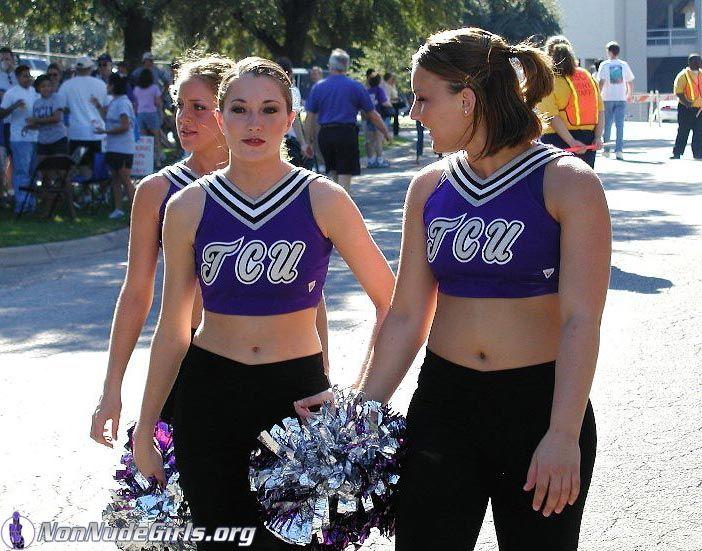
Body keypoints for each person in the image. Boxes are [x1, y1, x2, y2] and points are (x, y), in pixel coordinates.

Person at [297, 26, 611, 551]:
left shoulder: (568, 182)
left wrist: (562, 434)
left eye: (424, 98)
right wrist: (356, 412)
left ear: (467, 100)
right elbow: (406, 316)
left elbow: (582, 320)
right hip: (445, 405)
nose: (414, 111)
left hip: (539, 406)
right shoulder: (429, 187)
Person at [132, 56, 395, 550]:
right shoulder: (188, 206)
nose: (254, 123)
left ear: (291, 119)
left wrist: (358, 401)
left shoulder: (323, 197)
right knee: (219, 539)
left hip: (296, 395)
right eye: (239, 109)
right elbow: (172, 329)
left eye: (270, 109)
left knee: (294, 543)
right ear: (221, 118)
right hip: (209, 392)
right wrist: (147, 426)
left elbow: (392, 303)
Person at [90, 55, 237, 446]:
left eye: (199, 108)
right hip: (186, 358)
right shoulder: (156, 190)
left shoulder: (267, 184)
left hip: (265, 352)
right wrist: (112, 388)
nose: (184, 118)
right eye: (180, 106)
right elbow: (137, 292)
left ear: (227, 112)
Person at [304, 49, 390, 193]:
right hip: (346, 133)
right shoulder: (355, 86)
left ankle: (332, 205)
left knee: (331, 172)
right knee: (344, 174)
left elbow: (309, 118)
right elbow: (372, 114)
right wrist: (385, 132)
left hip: (326, 134)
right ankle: (341, 208)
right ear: (347, 66)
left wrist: (308, 141)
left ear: (330, 66)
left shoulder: (318, 87)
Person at [539, 42, 604, 168]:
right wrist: (598, 137)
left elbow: (551, 116)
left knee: (556, 184)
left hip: (557, 139)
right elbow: (600, 110)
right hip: (589, 140)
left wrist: (572, 142)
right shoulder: (588, 77)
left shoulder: (550, 81)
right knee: (584, 182)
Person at [93, 73, 136, 219]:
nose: (107, 86)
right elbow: (107, 117)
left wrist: (105, 131)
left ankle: (137, 211)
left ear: (114, 85)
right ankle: (118, 209)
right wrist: (98, 105)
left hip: (123, 148)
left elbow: (124, 126)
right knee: (115, 179)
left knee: (125, 179)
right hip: (113, 147)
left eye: (109, 84)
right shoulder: (113, 101)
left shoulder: (123, 103)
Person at [0, 64, 39, 214]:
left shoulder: (35, 93)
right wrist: (14, 106)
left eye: (28, 75)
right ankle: (21, 204)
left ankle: (32, 204)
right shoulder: (11, 93)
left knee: (33, 172)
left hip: (35, 136)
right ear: (17, 78)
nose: (27, 78)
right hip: (19, 138)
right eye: (24, 76)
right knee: (21, 172)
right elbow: (2, 114)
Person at [58, 55, 107, 166]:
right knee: (96, 167)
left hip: (76, 133)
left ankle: (73, 182)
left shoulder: (67, 85)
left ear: (76, 69)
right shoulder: (101, 85)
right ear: (90, 68)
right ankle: (93, 183)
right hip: (97, 132)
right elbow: (106, 107)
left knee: (75, 164)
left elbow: (61, 107)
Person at [597, 41, 634, 160]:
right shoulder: (624, 64)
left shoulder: (604, 65)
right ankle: (619, 150)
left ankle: (606, 150)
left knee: (607, 125)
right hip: (621, 98)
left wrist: (597, 95)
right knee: (620, 125)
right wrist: (629, 94)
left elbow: (601, 82)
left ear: (609, 52)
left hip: (607, 98)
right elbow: (630, 82)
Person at [275, 56, 313, 167]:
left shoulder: (267, 92)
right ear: (290, 73)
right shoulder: (293, 91)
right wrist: (303, 144)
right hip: (290, 141)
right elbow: (295, 119)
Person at [25, 74, 68, 159]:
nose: (46, 88)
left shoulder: (57, 98)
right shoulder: (37, 103)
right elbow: (38, 125)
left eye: (48, 86)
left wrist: (36, 120)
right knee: (44, 168)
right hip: (42, 141)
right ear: (38, 88)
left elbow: (56, 118)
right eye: (43, 86)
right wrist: (30, 126)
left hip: (58, 139)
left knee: (59, 168)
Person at [671, 53, 702, 160]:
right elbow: (678, 91)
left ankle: (698, 153)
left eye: (699, 61)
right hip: (686, 109)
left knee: (699, 132)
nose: (698, 63)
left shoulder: (701, 74)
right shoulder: (683, 75)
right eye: (695, 61)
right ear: (689, 62)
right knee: (683, 131)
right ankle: (677, 153)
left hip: (700, 109)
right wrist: (686, 102)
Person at [134, 67, 163, 167]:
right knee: (156, 138)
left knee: (144, 140)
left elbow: (136, 104)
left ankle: (146, 162)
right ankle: (158, 160)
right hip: (152, 113)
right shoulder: (154, 88)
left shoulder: (137, 89)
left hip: (140, 114)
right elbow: (158, 102)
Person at [366, 72, 393, 168]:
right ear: (378, 81)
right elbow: (385, 102)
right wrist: (391, 106)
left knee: (369, 140)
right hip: (379, 117)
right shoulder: (379, 90)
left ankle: (370, 160)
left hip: (369, 117)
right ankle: (380, 160)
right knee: (378, 140)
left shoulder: (367, 91)